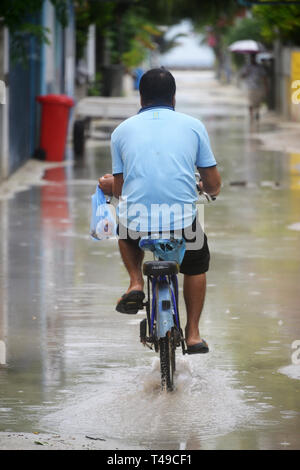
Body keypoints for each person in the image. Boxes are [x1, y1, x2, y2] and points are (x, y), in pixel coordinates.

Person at [99, 68, 221, 355]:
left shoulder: (121, 131)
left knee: (125, 231)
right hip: (181, 220)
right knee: (196, 263)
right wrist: (203, 187)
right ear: (174, 97)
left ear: (140, 96)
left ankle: (135, 282)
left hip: (137, 220)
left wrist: (106, 185)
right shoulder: (193, 126)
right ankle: (193, 335)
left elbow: (119, 191)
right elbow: (214, 185)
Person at [240, 53, 268, 121]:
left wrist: (266, 86)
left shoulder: (259, 67)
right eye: (251, 57)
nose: (252, 59)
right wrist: (246, 73)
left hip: (258, 87)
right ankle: (251, 116)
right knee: (250, 102)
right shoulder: (247, 67)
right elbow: (242, 76)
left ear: (255, 58)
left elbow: (264, 77)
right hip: (249, 87)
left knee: (258, 102)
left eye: (253, 57)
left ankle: (257, 113)